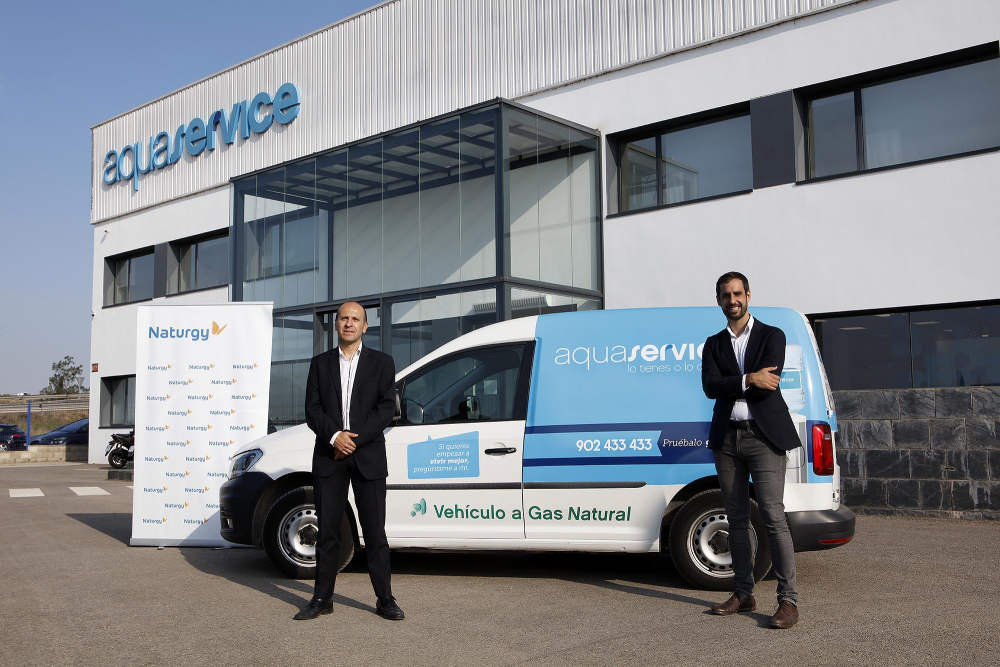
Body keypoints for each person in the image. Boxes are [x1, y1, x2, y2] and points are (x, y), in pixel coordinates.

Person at [701, 272, 801, 629]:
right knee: (737, 518)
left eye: (737, 293)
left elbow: (767, 385)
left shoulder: (772, 335)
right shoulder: (713, 344)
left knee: (773, 516)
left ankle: (788, 600)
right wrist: (748, 378)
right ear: (719, 300)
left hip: (764, 437)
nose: (732, 300)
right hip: (727, 439)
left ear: (748, 295)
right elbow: (710, 387)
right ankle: (743, 593)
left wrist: (741, 383)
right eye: (726, 295)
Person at [295, 301, 404, 621]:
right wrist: (335, 437)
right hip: (329, 457)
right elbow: (312, 409)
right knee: (328, 531)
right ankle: (322, 598)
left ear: (365, 326)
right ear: (336, 324)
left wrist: (351, 440)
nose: (349, 323)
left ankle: (385, 598)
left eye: (356, 319)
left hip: (368, 456)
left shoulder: (382, 363)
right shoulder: (319, 364)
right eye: (344, 318)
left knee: (375, 532)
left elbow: (386, 409)